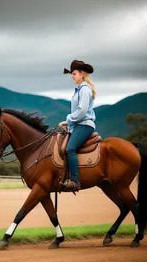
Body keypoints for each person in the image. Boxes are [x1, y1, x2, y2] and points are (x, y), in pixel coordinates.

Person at [58, 60, 97, 192]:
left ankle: (75, 181)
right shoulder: (80, 89)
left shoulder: (85, 89)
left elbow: (82, 111)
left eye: (74, 73)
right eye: (72, 74)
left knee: (70, 149)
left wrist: (68, 119)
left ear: (82, 74)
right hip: (78, 124)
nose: (72, 76)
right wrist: (68, 123)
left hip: (84, 124)